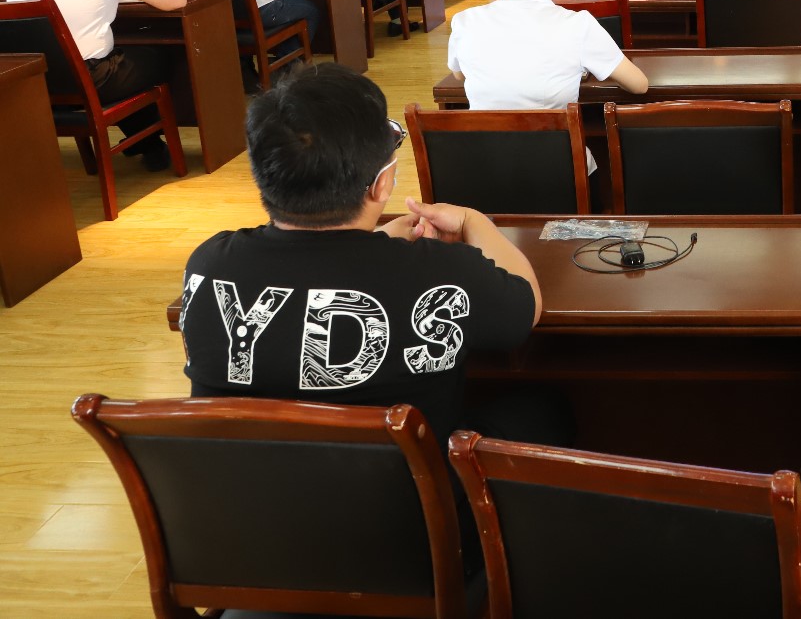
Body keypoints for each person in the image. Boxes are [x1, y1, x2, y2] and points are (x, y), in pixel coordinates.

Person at [180, 62, 567, 450]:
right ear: (381, 184)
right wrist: (473, 220)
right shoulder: (439, 272)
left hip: (248, 486)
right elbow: (525, 304)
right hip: (412, 488)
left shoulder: (208, 267)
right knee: (546, 407)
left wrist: (377, 238)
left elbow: (309, 278)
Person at [448, 0, 648, 175]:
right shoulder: (578, 25)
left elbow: (459, 75)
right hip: (559, 176)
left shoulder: (465, 22)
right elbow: (639, 85)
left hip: (488, 176)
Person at [4, 0, 187, 170]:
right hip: (88, 79)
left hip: (31, 78)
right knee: (159, 56)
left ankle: (147, 144)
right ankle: (151, 144)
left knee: (118, 60)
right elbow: (175, 0)